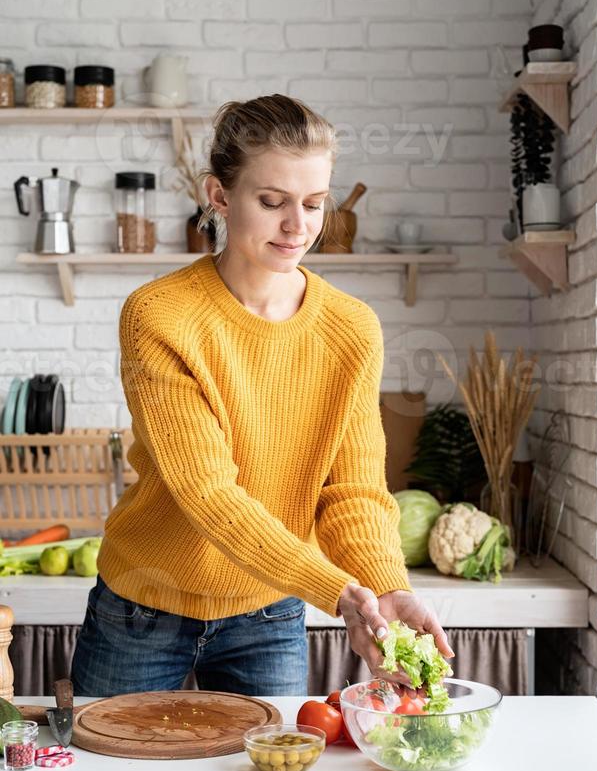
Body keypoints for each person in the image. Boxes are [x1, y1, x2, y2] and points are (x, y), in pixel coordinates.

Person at [71, 94, 454, 698]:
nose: (297, 226)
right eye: (272, 202)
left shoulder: (351, 328)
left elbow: (352, 490)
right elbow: (208, 494)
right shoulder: (160, 315)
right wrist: (331, 589)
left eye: (313, 204)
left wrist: (386, 586)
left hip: (269, 616)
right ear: (219, 196)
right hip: (142, 610)